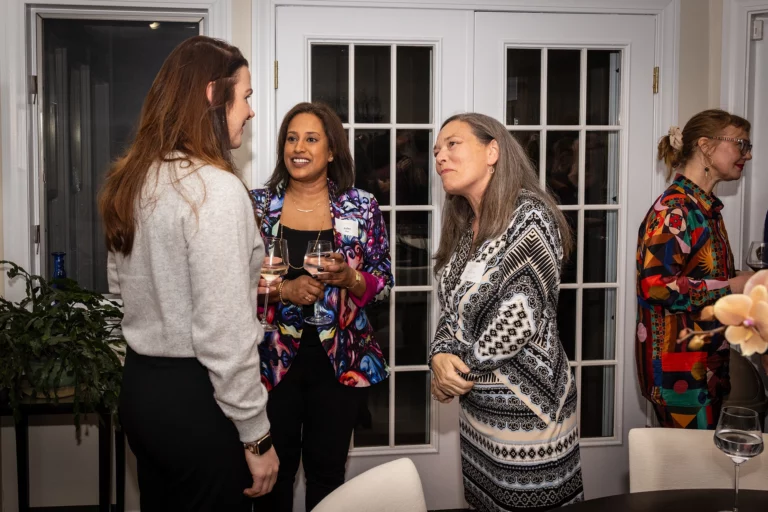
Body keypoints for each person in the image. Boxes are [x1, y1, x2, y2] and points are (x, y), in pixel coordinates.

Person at [98, 36, 278, 510]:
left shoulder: (132, 182)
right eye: (246, 96)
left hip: (142, 391)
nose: (251, 111)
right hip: (200, 401)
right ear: (213, 96)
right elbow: (223, 330)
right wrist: (257, 436)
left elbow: (120, 294)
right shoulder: (214, 190)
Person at [429, 112, 583, 511]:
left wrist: (453, 373)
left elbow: (519, 320)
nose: (440, 156)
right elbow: (453, 307)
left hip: (528, 415)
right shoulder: (467, 225)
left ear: (493, 150)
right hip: (479, 412)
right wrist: (439, 356)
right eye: (436, 150)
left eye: (452, 144)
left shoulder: (531, 216)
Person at [250, 101, 393, 511]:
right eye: (291, 138)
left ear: (331, 151)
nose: (299, 147)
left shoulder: (361, 207)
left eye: (312, 139)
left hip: (339, 365)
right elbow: (231, 285)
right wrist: (282, 291)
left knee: (328, 475)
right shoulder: (257, 206)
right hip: (269, 364)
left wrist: (349, 279)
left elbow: (383, 282)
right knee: (273, 477)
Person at [636, 109, 754, 430]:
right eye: (741, 144)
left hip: (704, 367)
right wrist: (733, 286)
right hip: (682, 376)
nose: (749, 153)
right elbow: (656, 288)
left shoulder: (705, 209)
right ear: (705, 145)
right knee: (690, 474)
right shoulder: (675, 211)